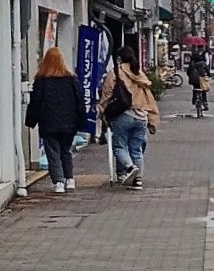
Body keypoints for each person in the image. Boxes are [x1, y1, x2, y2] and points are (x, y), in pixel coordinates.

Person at [24, 47, 86, 194]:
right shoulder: (71, 79)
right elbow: (80, 101)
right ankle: (69, 179)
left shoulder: (41, 80)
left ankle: (58, 182)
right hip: (69, 123)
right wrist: (81, 122)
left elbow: (36, 103)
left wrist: (31, 121)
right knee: (66, 151)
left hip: (48, 123)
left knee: (53, 153)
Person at [98, 46, 160, 189]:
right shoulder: (140, 74)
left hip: (123, 115)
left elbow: (107, 94)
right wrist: (153, 120)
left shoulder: (116, 73)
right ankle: (138, 181)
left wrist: (103, 111)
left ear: (119, 58)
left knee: (119, 146)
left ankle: (130, 167)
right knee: (136, 149)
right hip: (141, 116)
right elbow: (149, 98)